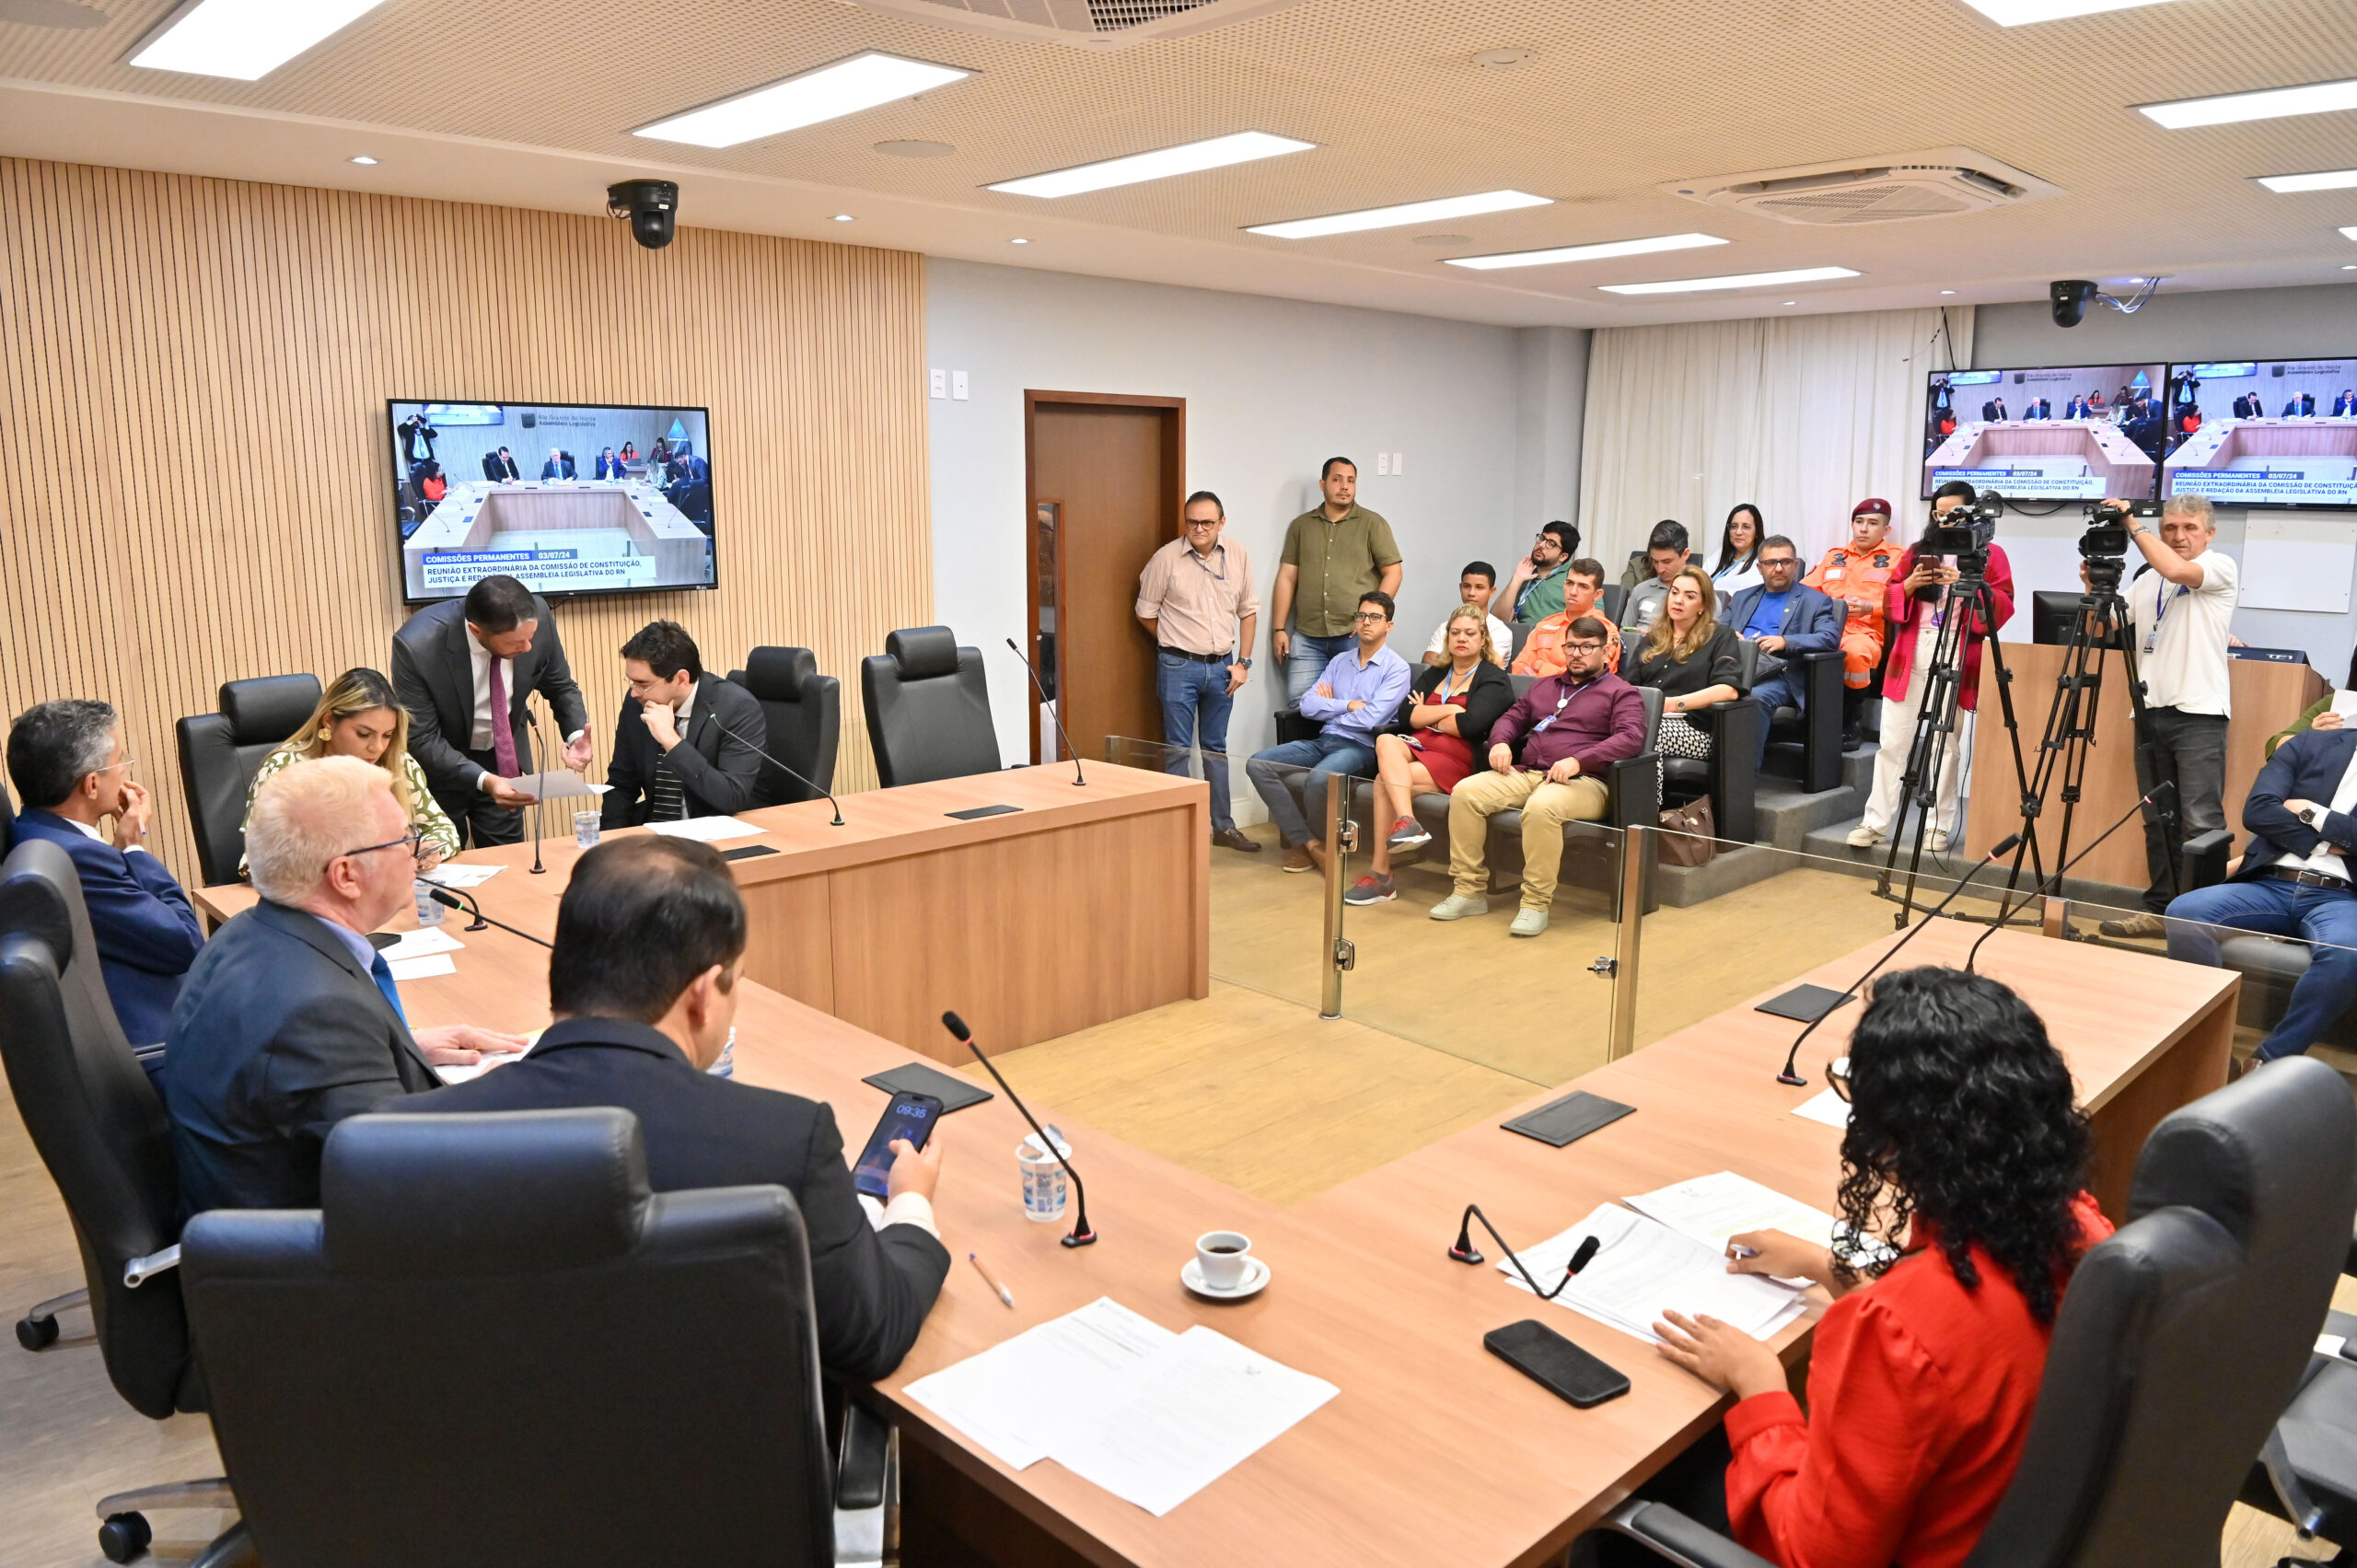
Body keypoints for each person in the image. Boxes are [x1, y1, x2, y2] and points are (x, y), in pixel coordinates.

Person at [1608, 966, 2109, 1568]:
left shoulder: (1894, 1327)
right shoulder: (2082, 1229)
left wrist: (1759, 1384)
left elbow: (1812, 1555)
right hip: (1999, 1523)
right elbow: (1959, 1341)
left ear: (1892, 1144)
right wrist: (1831, 1267)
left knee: (1625, 1506)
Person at [402, 836, 949, 1377]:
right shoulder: (784, 1141)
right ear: (705, 993)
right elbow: (873, 1334)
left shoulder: (404, 1141)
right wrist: (910, 1205)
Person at [163, 758, 528, 1214]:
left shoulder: (245, 934)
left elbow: (295, 1079)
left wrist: (398, 1048)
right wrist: (501, 1099)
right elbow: (407, 1183)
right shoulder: (319, 1013)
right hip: (308, 1244)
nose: (417, 853)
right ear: (346, 876)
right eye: (405, 839)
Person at [6, 700, 203, 1053]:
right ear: (92, 784)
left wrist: (120, 851)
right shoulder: (75, 859)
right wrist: (133, 849)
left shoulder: (38, 833)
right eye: (120, 762)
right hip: (168, 1049)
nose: (125, 772)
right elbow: (185, 942)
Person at [1430, 618, 1644, 937]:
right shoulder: (1546, 686)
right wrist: (1500, 742)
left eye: (1587, 647)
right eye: (1571, 646)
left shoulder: (1621, 692)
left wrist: (1579, 760)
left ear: (1605, 651)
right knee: (1466, 792)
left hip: (1586, 781)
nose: (1577, 654)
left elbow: (1630, 738)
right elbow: (1511, 718)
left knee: (1542, 807)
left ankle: (1535, 903)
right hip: (1530, 772)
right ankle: (1469, 891)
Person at [2165, 724, 2357, 1066]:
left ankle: (2270, 1061)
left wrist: (2312, 812)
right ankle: (2211, 1049)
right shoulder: (2311, 743)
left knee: (2347, 954)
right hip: (2270, 882)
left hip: (2341, 898)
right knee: (2185, 914)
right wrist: (2328, 843)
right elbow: (2258, 810)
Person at [2091, 494, 2238, 938]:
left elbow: (2177, 571)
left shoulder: (2219, 565)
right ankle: (2159, 911)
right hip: (2149, 711)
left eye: (2189, 528)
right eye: (2170, 527)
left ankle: (2206, 920)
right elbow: (2106, 626)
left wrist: (2132, 524)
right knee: (2158, 820)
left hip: (2199, 713)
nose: (2178, 536)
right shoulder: (2148, 578)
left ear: (2209, 534)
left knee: (2201, 821)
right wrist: (2094, 586)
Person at [1847, 484, 2016, 853]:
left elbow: (2003, 605)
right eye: (1938, 513)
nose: (1944, 520)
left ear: (1971, 513)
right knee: (1893, 742)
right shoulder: (1918, 552)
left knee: (1946, 743)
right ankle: (1875, 822)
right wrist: (1908, 585)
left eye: (1953, 513)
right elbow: (1890, 603)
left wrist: (1970, 586)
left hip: (1957, 648)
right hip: (1912, 650)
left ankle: (1938, 826)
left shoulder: (1990, 554)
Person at [392, 573, 593, 848]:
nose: (528, 647)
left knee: (509, 858)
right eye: (515, 643)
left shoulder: (536, 618)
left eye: (530, 638)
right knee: (445, 859)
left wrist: (576, 735)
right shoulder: (417, 645)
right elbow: (422, 737)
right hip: (440, 769)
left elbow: (560, 686)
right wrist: (485, 781)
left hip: (502, 759)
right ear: (476, 631)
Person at [1347, 605, 1515, 906]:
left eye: (1470, 633)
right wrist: (1450, 709)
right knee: (1385, 739)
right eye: (1455, 632)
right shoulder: (1436, 672)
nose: (1461, 638)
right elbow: (1405, 716)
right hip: (1417, 746)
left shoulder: (1494, 679)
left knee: (1383, 781)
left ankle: (1381, 875)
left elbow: (1470, 725)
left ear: (1483, 638)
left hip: (1457, 760)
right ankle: (1408, 821)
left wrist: (1426, 714)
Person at [1245, 591, 1411, 874]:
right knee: (1258, 764)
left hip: (1361, 747)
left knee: (1319, 779)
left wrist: (1330, 707)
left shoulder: (1397, 669)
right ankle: (1310, 844)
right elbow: (1308, 705)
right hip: (1325, 739)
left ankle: (1319, 845)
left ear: (1389, 625)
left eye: (1374, 617)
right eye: (1361, 616)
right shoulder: (1339, 662)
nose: (1366, 622)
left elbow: (1372, 718)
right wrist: (1347, 705)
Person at [238, 668, 460, 877]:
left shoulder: (397, 762)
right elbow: (259, 860)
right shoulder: (286, 769)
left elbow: (442, 828)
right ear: (329, 721)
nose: (377, 747)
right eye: (364, 734)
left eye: (387, 735)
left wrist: (431, 851)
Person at [1138, 491, 1261, 852]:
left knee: (1215, 749)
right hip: (1177, 666)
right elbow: (1145, 612)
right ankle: (1180, 832)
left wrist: (1243, 663)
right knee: (1177, 748)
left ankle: (1223, 827)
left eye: (1207, 522)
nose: (1199, 529)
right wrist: (1173, 642)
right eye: (1192, 522)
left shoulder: (1238, 555)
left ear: (1222, 523)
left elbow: (1248, 611)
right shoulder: (1166, 559)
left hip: (1223, 667)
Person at [601, 621, 767, 827]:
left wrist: (672, 741)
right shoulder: (638, 703)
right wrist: (610, 839)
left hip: (716, 831)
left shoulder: (737, 708)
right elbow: (621, 785)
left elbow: (731, 798)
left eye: (643, 684)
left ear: (681, 679)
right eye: (631, 682)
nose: (634, 692)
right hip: (656, 831)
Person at [1271, 458, 1403, 704]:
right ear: (1323, 484)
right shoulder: (1301, 526)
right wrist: (1279, 629)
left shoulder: (1372, 523)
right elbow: (1287, 577)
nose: (1345, 486)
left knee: (1352, 705)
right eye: (1337, 479)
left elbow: (1394, 572)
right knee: (1300, 706)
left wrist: (1371, 617)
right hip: (1307, 637)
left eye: (1351, 481)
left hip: (1353, 636)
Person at [1724, 537, 1842, 767]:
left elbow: (1829, 638)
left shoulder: (1816, 601)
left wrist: (1786, 642)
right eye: (1771, 562)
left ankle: (1741, 779)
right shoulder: (1742, 597)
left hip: (1780, 675)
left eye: (1785, 562)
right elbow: (1716, 629)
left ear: (1795, 565)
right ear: (1760, 567)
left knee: (1753, 698)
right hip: (1738, 667)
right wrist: (1730, 637)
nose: (1778, 568)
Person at [1804, 497, 1902, 746]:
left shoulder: (1897, 558)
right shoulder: (1834, 557)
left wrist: (1872, 608)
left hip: (1866, 633)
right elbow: (1805, 592)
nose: (1864, 529)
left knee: (1855, 653)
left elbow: (1905, 600)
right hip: (1826, 628)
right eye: (1859, 522)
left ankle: (1850, 720)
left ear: (1886, 529)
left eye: (1873, 523)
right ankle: (1804, 717)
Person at [1627, 566, 1747, 767]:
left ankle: (1644, 790)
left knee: (1645, 733)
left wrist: (1673, 704)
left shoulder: (1720, 636)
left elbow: (1728, 690)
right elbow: (1628, 686)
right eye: (1674, 593)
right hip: (1647, 719)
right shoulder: (1653, 637)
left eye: (1689, 596)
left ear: (1703, 605)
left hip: (1695, 730)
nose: (1678, 600)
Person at [1513, 558, 1621, 679]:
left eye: (1583, 586)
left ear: (1597, 595)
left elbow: (1592, 677)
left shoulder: (1606, 632)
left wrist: (1543, 667)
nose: (1573, 592)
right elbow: (1518, 669)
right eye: (1570, 583)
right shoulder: (1545, 625)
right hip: (1536, 690)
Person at [1425, 561, 1514, 669]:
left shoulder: (1500, 631)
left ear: (1492, 591)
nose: (1471, 593)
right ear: (1460, 588)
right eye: (1466, 586)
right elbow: (1428, 661)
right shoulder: (1445, 626)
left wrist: (1446, 659)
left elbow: (1488, 667)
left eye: (1479, 587)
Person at [1493, 522, 1577, 625]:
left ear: (1563, 556)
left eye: (1551, 544)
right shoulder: (1525, 575)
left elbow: (1591, 623)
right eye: (1542, 538)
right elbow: (1496, 622)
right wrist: (1517, 579)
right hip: (1521, 634)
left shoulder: (1576, 578)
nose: (1541, 545)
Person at [1620, 521, 1690, 635]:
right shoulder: (1640, 590)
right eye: (1655, 561)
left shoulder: (1701, 594)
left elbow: (1708, 639)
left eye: (1667, 561)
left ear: (1685, 554)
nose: (1660, 569)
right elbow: (1624, 633)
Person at [1710, 505, 1765, 598]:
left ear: (1757, 532)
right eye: (1734, 526)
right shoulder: (1718, 556)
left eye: (1746, 527)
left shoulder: (1762, 563)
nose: (1738, 532)